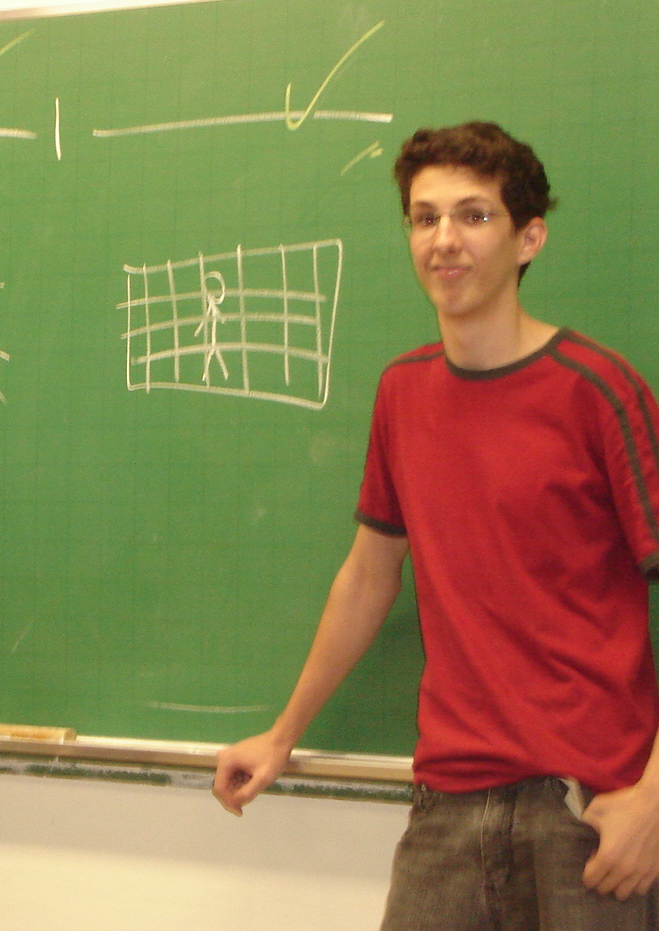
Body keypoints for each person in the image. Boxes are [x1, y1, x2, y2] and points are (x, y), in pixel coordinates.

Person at [212, 122, 659, 928]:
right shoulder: (403, 392)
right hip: (447, 805)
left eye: (473, 216)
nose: (444, 240)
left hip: (589, 811)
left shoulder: (598, 391)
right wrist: (282, 735)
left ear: (529, 238)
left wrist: (654, 799)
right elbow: (368, 576)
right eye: (425, 218)